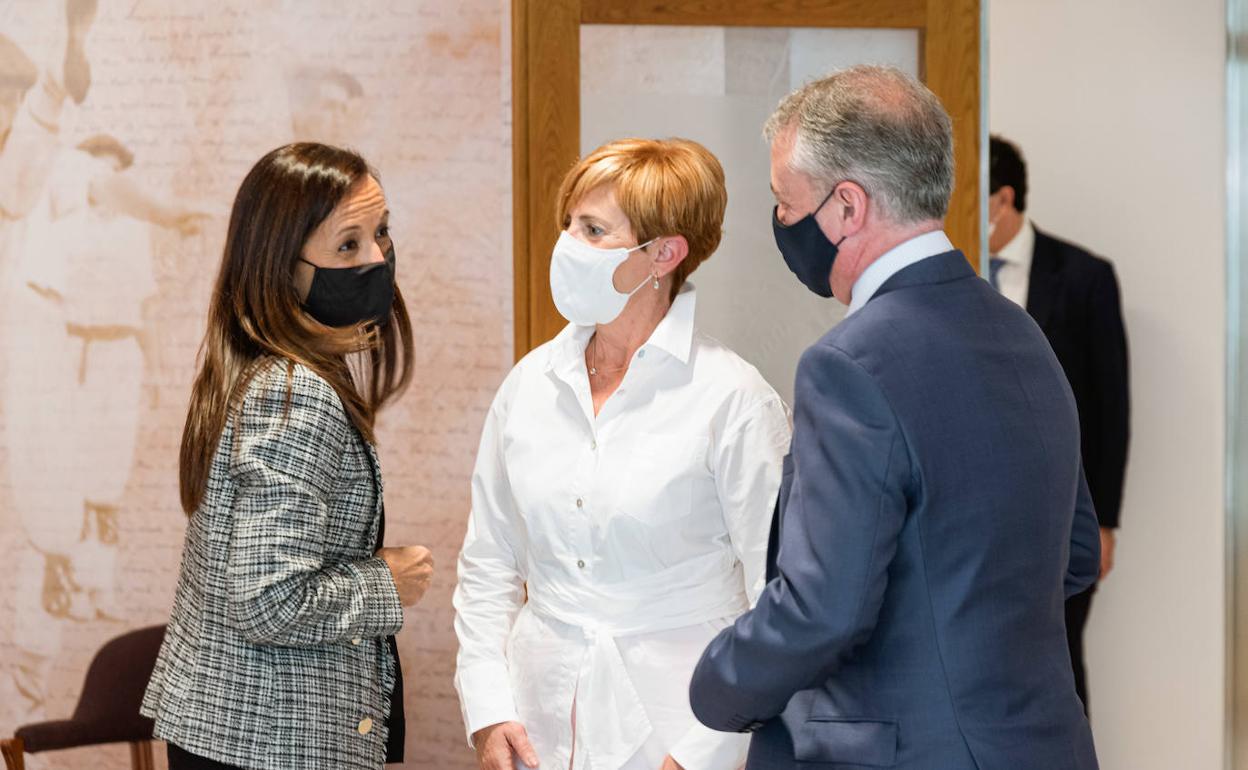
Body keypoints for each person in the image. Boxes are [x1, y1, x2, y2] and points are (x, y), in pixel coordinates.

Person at [688, 66, 1101, 770]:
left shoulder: (848, 364)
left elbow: (822, 611)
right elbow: (1077, 553)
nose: (781, 224)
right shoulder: (1022, 334)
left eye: (785, 203)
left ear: (847, 207)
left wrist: (711, 690)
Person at [454, 138, 791, 770]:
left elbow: (775, 596)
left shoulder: (733, 399)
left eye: (593, 229)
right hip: (536, 721)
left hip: (680, 723)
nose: (567, 244)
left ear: (664, 253)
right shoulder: (529, 384)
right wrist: (488, 707)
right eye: (569, 224)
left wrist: (703, 752)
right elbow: (489, 562)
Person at [141, 143, 435, 770]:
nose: (379, 258)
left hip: (234, 733)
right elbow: (268, 599)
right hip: (269, 741)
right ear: (283, 267)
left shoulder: (261, 370)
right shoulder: (295, 393)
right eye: (348, 245)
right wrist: (388, 579)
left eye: (381, 234)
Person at [988, 134, 1130, 713]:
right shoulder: (954, 271)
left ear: (1003, 199)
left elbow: (1112, 407)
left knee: (1062, 660)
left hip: (1063, 509)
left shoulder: (1084, 275)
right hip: (980, 512)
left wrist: (1105, 523)